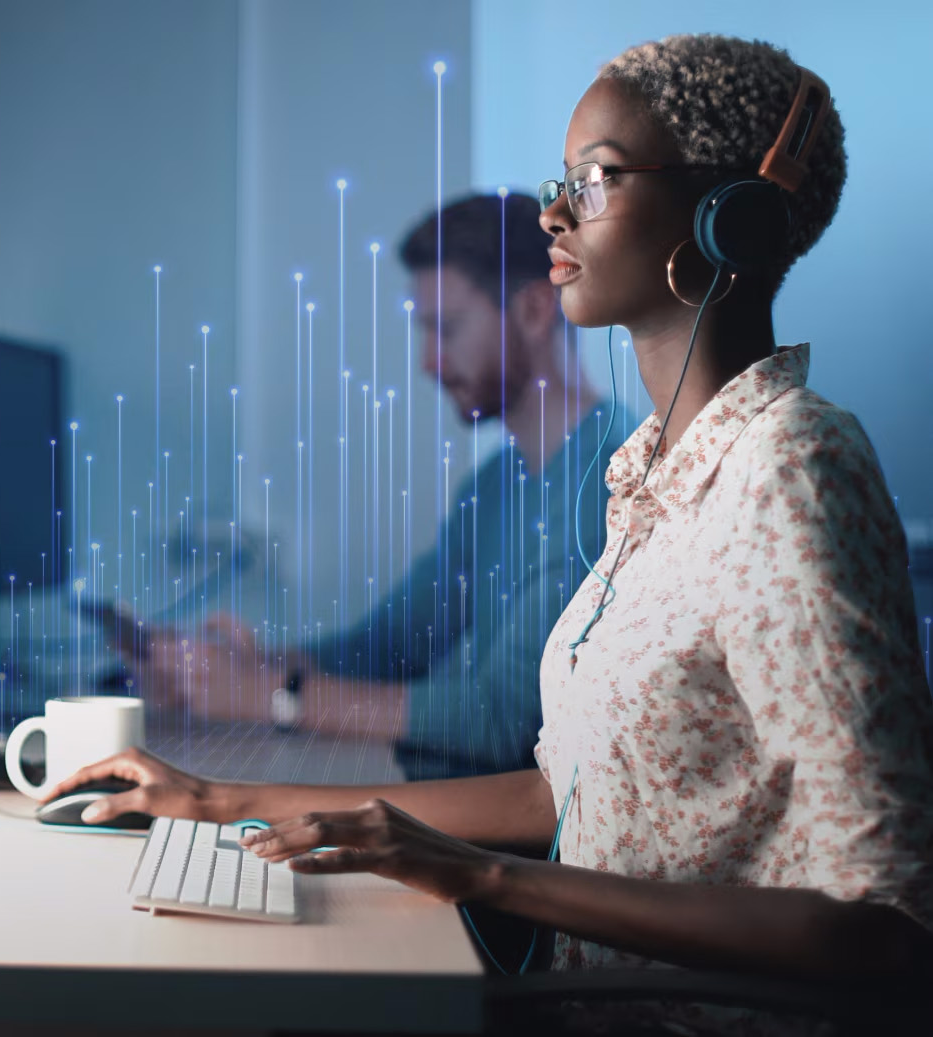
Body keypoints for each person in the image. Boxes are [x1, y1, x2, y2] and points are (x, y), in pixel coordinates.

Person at [51, 33, 933, 1020]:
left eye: (594, 180)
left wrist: (481, 876)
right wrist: (219, 798)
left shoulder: (793, 467)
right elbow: (561, 791)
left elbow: (889, 926)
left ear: (727, 217)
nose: (554, 213)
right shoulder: (650, 472)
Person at [135, 192, 631, 782]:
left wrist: (272, 695)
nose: (427, 362)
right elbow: (391, 644)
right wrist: (245, 666)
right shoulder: (497, 484)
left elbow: (507, 721)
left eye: (445, 330)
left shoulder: (607, 483)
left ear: (532, 310)